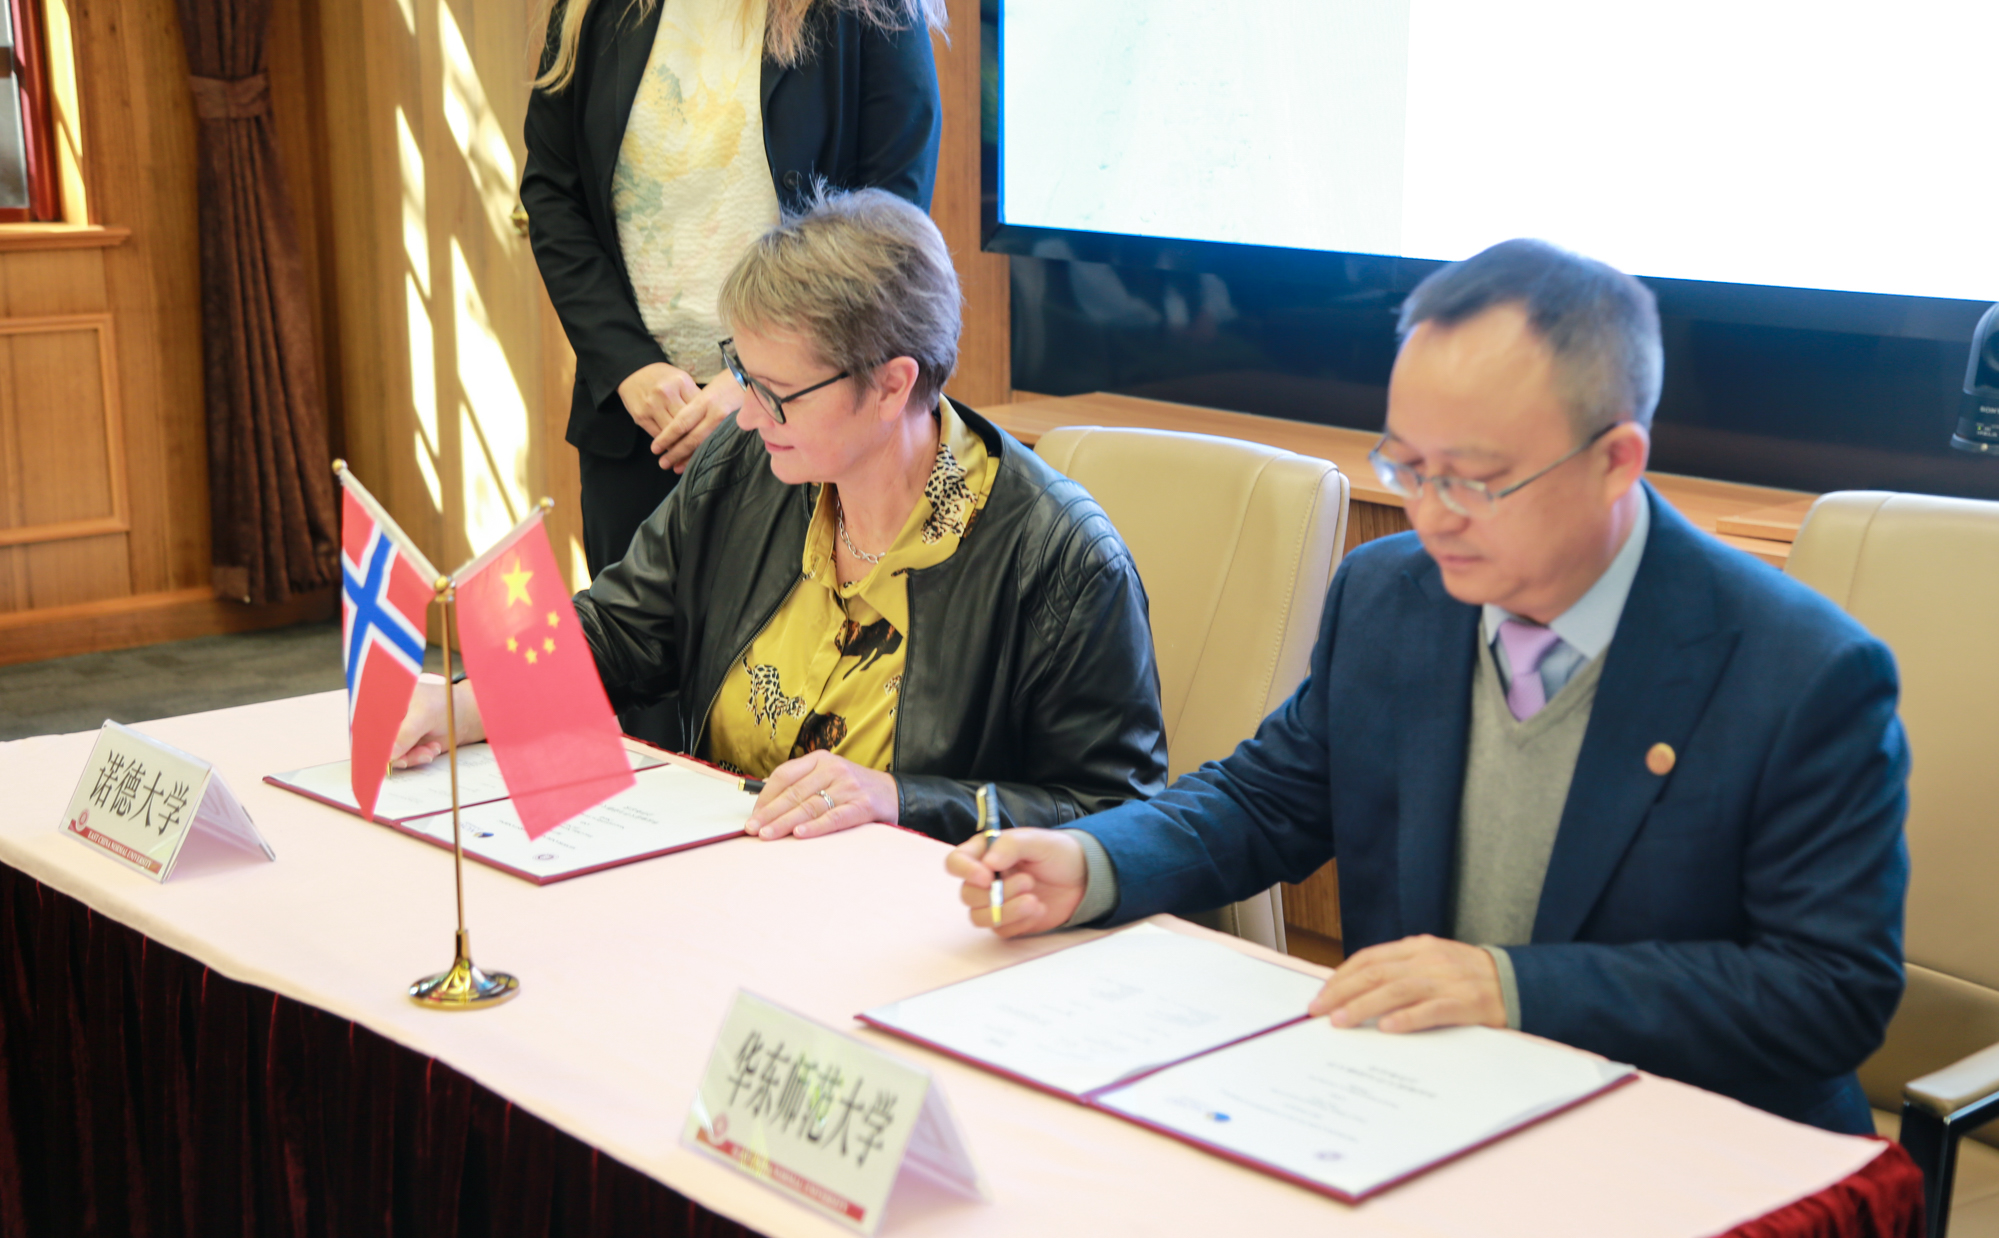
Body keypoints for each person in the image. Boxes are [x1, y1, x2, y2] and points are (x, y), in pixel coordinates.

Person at [948, 239, 1910, 1134]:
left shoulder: (1800, 672)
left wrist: (1510, 988)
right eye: (1407, 466)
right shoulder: (1390, 595)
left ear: (1615, 460)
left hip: (1691, 1144)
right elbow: (1264, 799)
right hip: (1429, 1106)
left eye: (1474, 479)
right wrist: (1094, 860)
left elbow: (1826, 994)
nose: (1431, 514)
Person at [393, 188, 1168, 844]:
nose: (745, 412)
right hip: (722, 869)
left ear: (892, 385)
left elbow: (1115, 812)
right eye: (742, 374)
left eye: (776, 392)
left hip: (916, 917)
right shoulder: (746, 467)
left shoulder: (1059, 560)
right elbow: (620, 630)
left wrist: (898, 799)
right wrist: (466, 701)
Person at [522, 0, 945, 578]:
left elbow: (887, 218)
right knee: (634, 634)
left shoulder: (870, 10)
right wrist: (627, 365)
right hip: (641, 426)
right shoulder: (589, 11)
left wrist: (753, 379)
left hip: (807, 416)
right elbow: (553, 194)